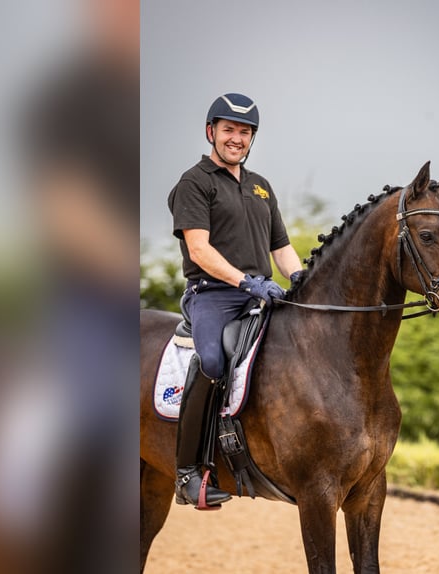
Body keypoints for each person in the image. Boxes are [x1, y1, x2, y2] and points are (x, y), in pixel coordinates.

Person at [167, 93, 303, 507]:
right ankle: (188, 473)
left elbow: (281, 248)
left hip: (258, 292)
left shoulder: (261, 187)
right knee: (210, 361)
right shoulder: (195, 182)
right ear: (211, 132)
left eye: (244, 132)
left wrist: (299, 278)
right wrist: (248, 283)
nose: (236, 139)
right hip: (214, 295)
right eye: (229, 130)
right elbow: (199, 251)